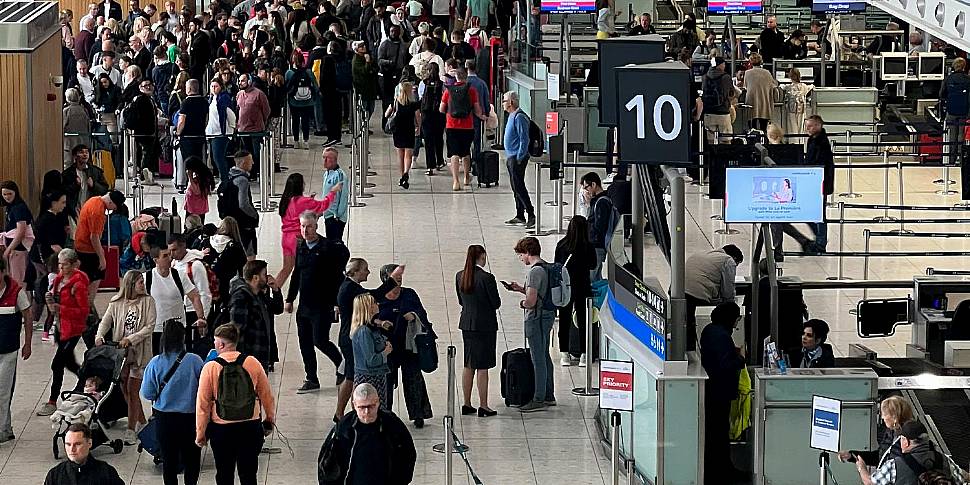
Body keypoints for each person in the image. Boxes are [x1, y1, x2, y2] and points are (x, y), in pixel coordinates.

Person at [196, 323, 275, 485]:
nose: (214, 345)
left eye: (215, 342)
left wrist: (201, 434)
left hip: (221, 429)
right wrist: (269, 421)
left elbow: (203, 405)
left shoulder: (211, 367)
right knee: (249, 475)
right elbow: (267, 396)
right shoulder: (252, 362)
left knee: (224, 474)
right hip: (250, 427)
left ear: (222, 344)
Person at [286, 211, 350, 393]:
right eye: (302, 226)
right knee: (304, 343)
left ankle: (341, 365)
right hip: (304, 305)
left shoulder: (328, 248)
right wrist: (290, 299)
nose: (305, 230)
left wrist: (337, 302)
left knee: (320, 340)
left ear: (316, 227)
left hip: (322, 305)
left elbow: (338, 276)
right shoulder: (301, 247)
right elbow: (296, 274)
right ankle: (311, 378)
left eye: (309, 226)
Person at [335, 259, 401, 419]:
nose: (368, 272)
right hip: (351, 338)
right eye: (365, 269)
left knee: (351, 375)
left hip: (351, 335)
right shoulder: (350, 289)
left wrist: (378, 322)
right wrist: (392, 280)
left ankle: (344, 412)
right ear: (356, 271)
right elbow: (373, 297)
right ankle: (343, 413)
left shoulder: (351, 287)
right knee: (352, 375)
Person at [142, 319, 204, 485]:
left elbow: (147, 393)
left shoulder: (155, 363)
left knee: (169, 460)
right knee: (192, 458)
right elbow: (205, 390)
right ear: (183, 338)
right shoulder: (195, 361)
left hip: (165, 419)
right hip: (191, 418)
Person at [94, 270, 154, 442]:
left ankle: (131, 428)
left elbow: (149, 326)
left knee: (133, 390)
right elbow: (106, 320)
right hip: (122, 354)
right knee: (124, 389)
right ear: (131, 284)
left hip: (139, 353)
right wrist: (99, 335)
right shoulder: (116, 302)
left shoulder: (148, 302)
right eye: (140, 282)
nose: (143, 285)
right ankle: (141, 422)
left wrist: (131, 339)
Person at [321, 383, 417, 485]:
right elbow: (327, 463)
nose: (366, 412)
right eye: (362, 407)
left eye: (371, 406)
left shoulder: (392, 425)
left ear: (378, 403)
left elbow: (408, 455)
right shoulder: (343, 428)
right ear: (354, 404)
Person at [375, 264, 434, 428]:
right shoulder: (377, 297)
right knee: (385, 382)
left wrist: (414, 316)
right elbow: (369, 318)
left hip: (409, 346)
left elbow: (422, 314)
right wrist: (380, 323)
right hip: (387, 348)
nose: (399, 278)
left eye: (400, 275)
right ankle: (384, 414)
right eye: (395, 276)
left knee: (413, 379)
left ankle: (418, 414)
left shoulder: (409, 294)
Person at [37, 249, 90, 417]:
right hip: (61, 327)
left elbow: (83, 311)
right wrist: (51, 302)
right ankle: (90, 382)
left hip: (73, 329)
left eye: (65, 264)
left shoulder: (78, 284)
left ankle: (52, 400)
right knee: (69, 363)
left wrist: (62, 309)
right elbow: (55, 301)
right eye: (59, 264)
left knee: (57, 364)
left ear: (73, 264)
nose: (61, 267)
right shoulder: (59, 280)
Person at [505, 237, 556, 413]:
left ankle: (538, 398)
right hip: (548, 315)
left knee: (538, 358)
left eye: (521, 255)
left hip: (536, 318)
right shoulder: (547, 267)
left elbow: (531, 301)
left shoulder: (534, 272)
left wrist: (522, 303)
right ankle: (549, 394)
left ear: (527, 253)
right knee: (545, 355)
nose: (521, 259)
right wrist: (520, 289)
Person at [700, 302, 746, 485]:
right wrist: (741, 358)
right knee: (719, 432)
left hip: (712, 391)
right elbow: (725, 366)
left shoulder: (710, 330)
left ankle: (720, 469)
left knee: (715, 432)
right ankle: (722, 472)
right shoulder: (722, 336)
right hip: (720, 392)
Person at [455, 245, 500, 417]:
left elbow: (461, 300)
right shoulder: (487, 278)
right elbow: (495, 303)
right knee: (483, 366)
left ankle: (466, 403)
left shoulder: (460, 275)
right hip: (485, 325)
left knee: (469, 363)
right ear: (481, 256)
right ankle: (483, 405)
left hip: (467, 323)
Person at [276, 174, 340, 285]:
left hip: (286, 238)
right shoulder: (303, 201)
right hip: (298, 238)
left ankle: (272, 292)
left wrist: (310, 200)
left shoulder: (285, 201)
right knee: (303, 270)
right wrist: (333, 192)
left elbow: (297, 210)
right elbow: (323, 205)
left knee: (286, 269)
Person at [147, 243, 208, 355]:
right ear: (156, 260)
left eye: (170, 254)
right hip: (156, 329)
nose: (170, 258)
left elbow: (194, 297)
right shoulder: (147, 278)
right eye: (165, 256)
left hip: (178, 327)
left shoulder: (179, 275)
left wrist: (201, 317)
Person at [554, 215, 597, 365]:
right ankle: (584, 354)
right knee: (584, 320)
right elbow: (593, 265)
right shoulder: (588, 246)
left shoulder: (561, 245)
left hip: (566, 288)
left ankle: (564, 354)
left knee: (564, 320)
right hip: (583, 287)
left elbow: (557, 266)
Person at [684, 245, 743, 351]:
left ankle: (688, 350)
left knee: (685, 323)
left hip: (678, 290)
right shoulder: (728, 260)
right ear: (734, 258)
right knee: (690, 325)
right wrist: (732, 306)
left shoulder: (701, 254)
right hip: (696, 295)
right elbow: (728, 290)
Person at [854, 421, 950, 485]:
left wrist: (861, 467)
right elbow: (962, 479)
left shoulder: (895, 465)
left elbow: (870, 482)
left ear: (906, 442)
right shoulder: (945, 460)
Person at [74, 190, 124, 311]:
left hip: (81, 246)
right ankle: (88, 309)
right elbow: (94, 237)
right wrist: (102, 257)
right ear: (111, 202)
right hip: (88, 250)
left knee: (86, 281)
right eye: (114, 208)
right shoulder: (98, 212)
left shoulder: (93, 199)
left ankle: (87, 308)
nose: (112, 210)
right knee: (93, 281)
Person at [0, 257, 31, 444]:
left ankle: (1, 431)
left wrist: (28, 343)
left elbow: (28, 316)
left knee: (3, 391)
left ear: (3, 271)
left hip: (9, 350)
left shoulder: (16, 292)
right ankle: (7, 428)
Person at [838, 396, 915, 469]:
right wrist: (852, 455)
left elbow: (893, 464)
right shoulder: (891, 432)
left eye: (885, 414)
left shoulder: (905, 437)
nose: (882, 417)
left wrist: (862, 469)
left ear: (894, 416)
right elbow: (879, 457)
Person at [439, 67, 485, 191]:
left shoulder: (449, 91)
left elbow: (441, 109)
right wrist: (482, 116)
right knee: (465, 152)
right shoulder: (472, 90)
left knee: (453, 153)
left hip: (451, 125)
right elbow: (477, 109)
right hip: (467, 125)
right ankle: (466, 177)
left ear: (456, 78)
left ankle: (455, 181)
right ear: (466, 77)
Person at [43, 423, 124, 485]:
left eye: (77, 444)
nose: (72, 449)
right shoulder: (55, 475)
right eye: (68, 444)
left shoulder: (106, 472)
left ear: (89, 443)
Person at [350, 293, 393, 408]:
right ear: (367, 307)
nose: (377, 304)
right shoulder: (364, 332)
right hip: (369, 378)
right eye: (373, 303)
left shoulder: (371, 329)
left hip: (377, 376)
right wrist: (386, 352)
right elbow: (371, 360)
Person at [169, 234, 213, 341]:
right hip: (179, 312)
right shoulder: (174, 263)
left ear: (183, 246)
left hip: (193, 312)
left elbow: (204, 293)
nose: (172, 254)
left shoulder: (195, 265)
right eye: (170, 250)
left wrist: (203, 318)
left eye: (174, 250)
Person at [502, 91, 534, 227]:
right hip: (511, 156)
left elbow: (524, 138)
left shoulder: (520, 117)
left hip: (517, 157)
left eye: (504, 101)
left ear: (511, 102)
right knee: (515, 187)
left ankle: (530, 213)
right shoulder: (511, 116)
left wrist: (520, 156)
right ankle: (520, 214)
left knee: (519, 186)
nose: (503, 103)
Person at [803, 115, 833, 252]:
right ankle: (819, 237)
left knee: (819, 214)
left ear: (818, 126)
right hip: (813, 181)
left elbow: (818, 163)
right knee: (810, 212)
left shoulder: (821, 143)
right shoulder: (813, 140)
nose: (807, 129)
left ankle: (821, 242)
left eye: (810, 126)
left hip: (820, 182)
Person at [386, 80, 422, 189]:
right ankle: (406, 173)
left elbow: (386, 114)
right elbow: (418, 117)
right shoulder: (413, 104)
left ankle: (401, 176)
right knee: (408, 155)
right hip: (409, 130)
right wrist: (419, 127)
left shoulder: (396, 102)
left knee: (400, 155)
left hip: (398, 131)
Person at [235, 74, 270, 180]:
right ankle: (249, 173)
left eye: (243, 81)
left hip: (256, 130)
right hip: (243, 130)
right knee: (246, 153)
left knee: (256, 154)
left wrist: (261, 121)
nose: (241, 83)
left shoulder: (259, 94)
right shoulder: (239, 94)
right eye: (240, 81)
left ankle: (258, 172)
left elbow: (266, 110)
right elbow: (238, 110)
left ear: (249, 81)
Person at [225, 150, 260, 257]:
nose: (253, 163)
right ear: (243, 162)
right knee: (249, 253)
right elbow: (243, 204)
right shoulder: (242, 180)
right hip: (244, 223)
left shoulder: (230, 175)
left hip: (232, 219)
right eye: (250, 161)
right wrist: (254, 214)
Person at [62, 144, 110, 218]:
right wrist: (75, 185)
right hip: (74, 211)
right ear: (75, 156)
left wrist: (94, 185)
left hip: (92, 210)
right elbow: (63, 191)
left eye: (86, 152)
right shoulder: (68, 173)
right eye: (81, 152)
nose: (85, 155)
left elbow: (105, 189)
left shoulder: (96, 172)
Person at [0, 181, 34, 286]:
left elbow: (21, 232)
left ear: (15, 193)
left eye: (10, 194)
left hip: (18, 249)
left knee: (18, 280)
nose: (7, 197)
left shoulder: (19, 208)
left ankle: (19, 301)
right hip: (13, 248)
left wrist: (9, 249)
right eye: (4, 194)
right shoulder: (10, 206)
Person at [939, 57, 970, 168]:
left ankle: (951, 159)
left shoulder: (948, 79)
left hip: (951, 111)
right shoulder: (968, 80)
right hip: (964, 111)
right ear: (964, 67)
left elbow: (941, 94)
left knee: (952, 135)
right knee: (961, 135)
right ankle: (961, 160)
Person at [285, 51, 318, 149]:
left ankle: (296, 141)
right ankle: (306, 140)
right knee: (305, 121)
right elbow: (315, 85)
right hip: (307, 101)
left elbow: (287, 86)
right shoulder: (308, 72)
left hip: (294, 101)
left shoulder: (289, 73)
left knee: (295, 120)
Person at [205, 77, 236, 181]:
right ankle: (223, 178)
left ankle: (225, 179)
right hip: (212, 132)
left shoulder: (224, 98)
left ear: (220, 87)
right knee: (215, 157)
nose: (214, 88)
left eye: (216, 86)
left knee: (219, 157)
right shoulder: (211, 98)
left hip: (221, 133)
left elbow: (231, 116)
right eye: (212, 86)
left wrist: (230, 130)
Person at [702, 57, 736, 144]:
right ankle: (724, 157)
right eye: (723, 64)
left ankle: (712, 157)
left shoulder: (705, 77)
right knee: (726, 141)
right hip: (723, 113)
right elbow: (731, 93)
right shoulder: (726, 77)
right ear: (719, 65)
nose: (724, 66)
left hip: (708, 113)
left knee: (710, 141)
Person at [320, 147, 350, 241]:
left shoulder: (340, 176)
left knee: (335, 243)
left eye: (327, 158)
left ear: (334, 160)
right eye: (323, 157)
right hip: (328, 215)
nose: (324, 161)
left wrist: (338, 216)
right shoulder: (326, 173)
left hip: (335, 217)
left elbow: (344, 197)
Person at [176, 79, 209, 164]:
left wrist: (178, 132)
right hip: (200, 135)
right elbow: (206, 119)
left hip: (187, 137)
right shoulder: (204, 102)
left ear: (189, 89)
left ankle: (190, 177)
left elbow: (182, 121)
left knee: (188, 161)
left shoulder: (186, 102)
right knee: (199, 159)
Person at [743, 53, 777, 132]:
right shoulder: (767, 73)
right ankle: (764, 140)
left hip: (752, 102)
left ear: (750, 62)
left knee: (752, 127)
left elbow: (745, 86)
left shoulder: (747, 73)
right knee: (764, 127)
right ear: (761, 61)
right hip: (764, 101)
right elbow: (773, 85)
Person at [782, 68, 812, 135]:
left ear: (790, 76)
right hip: (801, 109)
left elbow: (780, 87)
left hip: (791, 109)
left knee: (792, 127)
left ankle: (793, 143)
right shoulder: (804, 86)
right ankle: (800, 143)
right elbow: (811, 87)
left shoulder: (788, 87)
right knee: (801, 128)